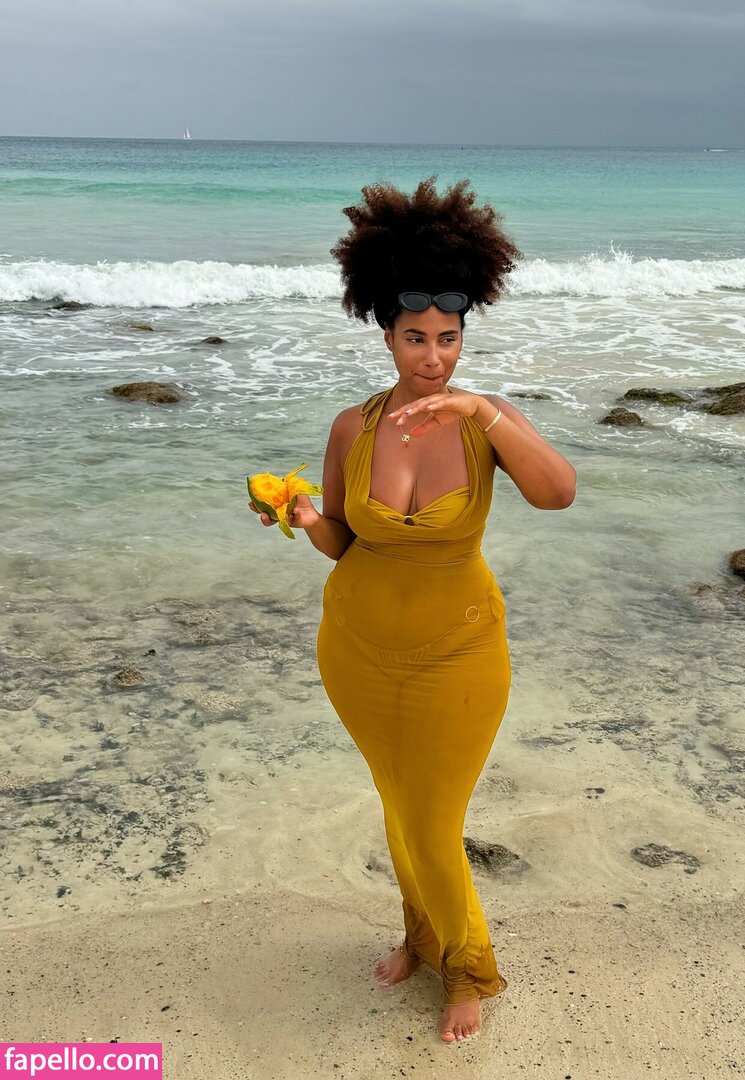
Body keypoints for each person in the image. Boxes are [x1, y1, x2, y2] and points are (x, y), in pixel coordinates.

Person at [249, 178, 576, 1043]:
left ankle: (468, 968)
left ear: (465, 336)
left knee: (434, 819)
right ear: (386, 334)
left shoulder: (485, 419)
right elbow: (344, 542)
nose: (434, 359)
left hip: (458, 652)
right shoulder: (352, 427)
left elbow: (558, 493)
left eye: (449, 340)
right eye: (416, 339)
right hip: (354, 646)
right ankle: (420, 938)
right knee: (397, 805)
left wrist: (484, 415)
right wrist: (303, 517)